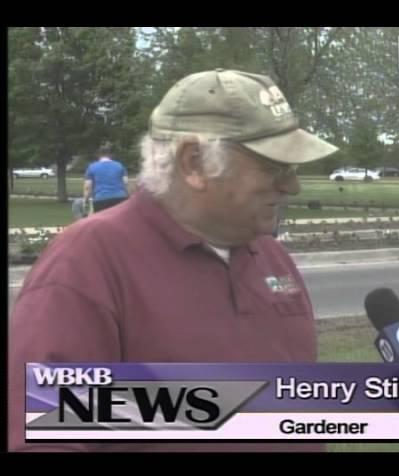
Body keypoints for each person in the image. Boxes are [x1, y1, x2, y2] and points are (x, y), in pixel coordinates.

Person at [9, 69, 338, 452]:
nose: (291, 185)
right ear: (194, 162)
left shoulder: (272, 257)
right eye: (273, 166)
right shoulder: (88, 263)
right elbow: (47, 437)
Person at [83, 142, 129, 212]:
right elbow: (125, 183)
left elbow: (88, 187)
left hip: (101, 199)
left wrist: (85, 200)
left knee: (102, 222)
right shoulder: (119, 165)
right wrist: (127, 196)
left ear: (98, 155)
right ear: (110, 155)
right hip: (120, 198)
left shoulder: (92, 167)